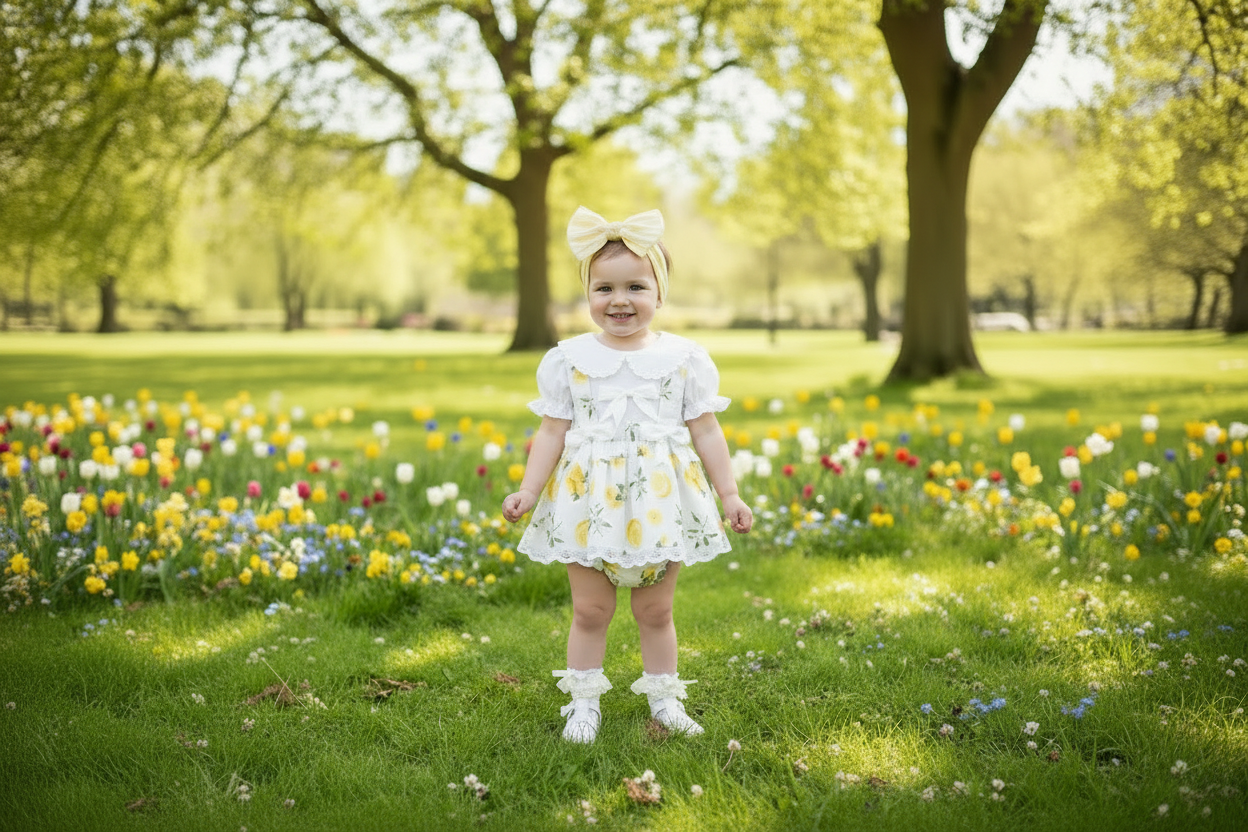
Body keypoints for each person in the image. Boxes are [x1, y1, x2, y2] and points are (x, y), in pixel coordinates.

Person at [502, 206, 753, 744]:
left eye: (636, 286)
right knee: (590, 609)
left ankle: (664, 699)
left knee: (656, 608)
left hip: (661, 503)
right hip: (585, 504)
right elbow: (551, 431)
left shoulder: (683, 358)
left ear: (659, 294)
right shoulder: (568, 358)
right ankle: (583, 704)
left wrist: (728, 492)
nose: (619, 300)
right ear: (587, 294)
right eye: (604, 288)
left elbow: (706, 431)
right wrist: (528, 488)